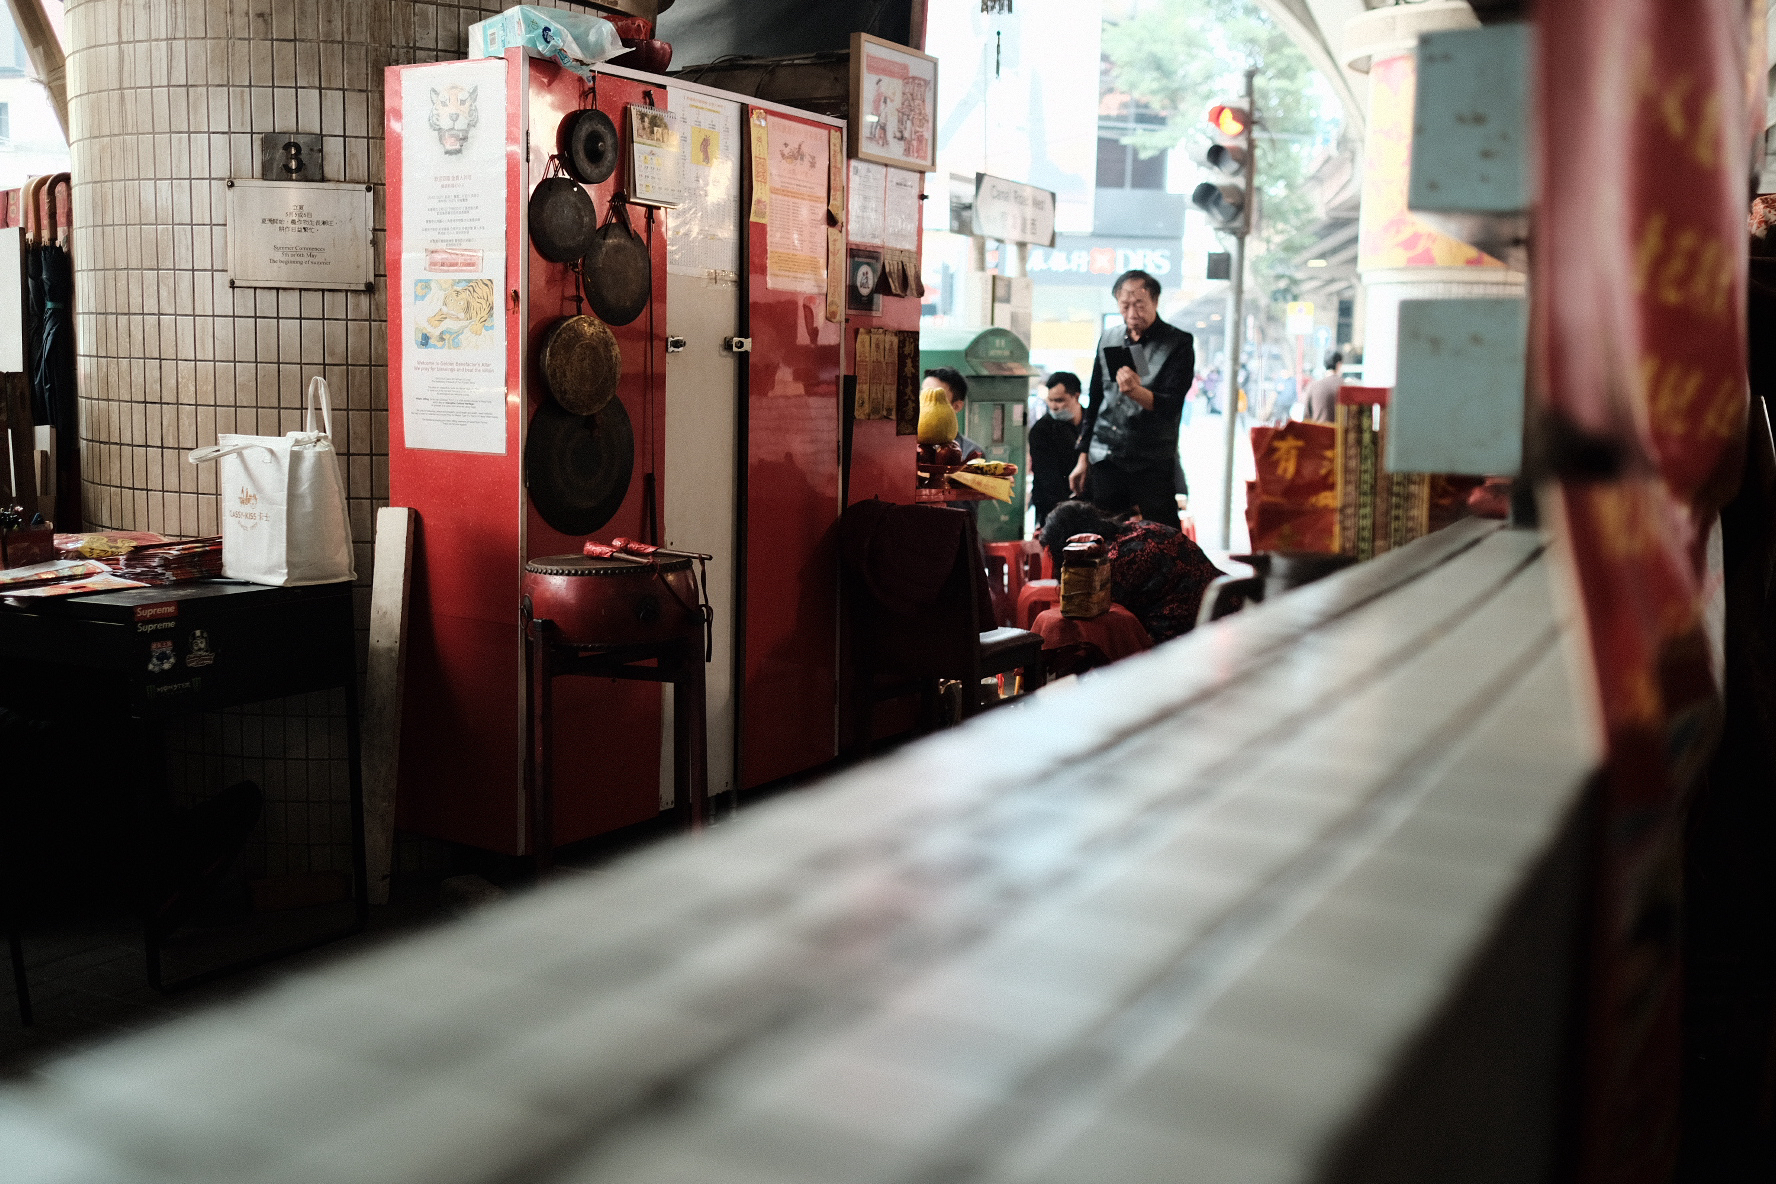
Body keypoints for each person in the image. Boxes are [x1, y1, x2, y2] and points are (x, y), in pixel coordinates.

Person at [1069, 270, 1194, 529]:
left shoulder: (1177, 343)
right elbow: (1095, 400)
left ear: (1155, 301)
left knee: (1162, 534)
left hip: (1151, 460)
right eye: (1124, 305)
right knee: (1104, 534)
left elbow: (1170, 406)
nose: (1132, 313)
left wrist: (1135, 391)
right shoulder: (1109, 338)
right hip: (1106, 456)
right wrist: (1083, 457)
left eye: (1139, 304)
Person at [1039, 499, 1223, 644]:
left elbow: (1098, 616)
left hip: (1193, 632)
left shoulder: (1109, 562)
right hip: (1225, 602)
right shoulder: (1138, 527)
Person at [1028, 371, 1083, 526]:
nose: (1053, 406)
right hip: (1053, 508)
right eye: (1050, 400)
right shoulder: (1042, 430)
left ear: (1076, 396)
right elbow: (1047, 478)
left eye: (1059, 400)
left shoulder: (1091, 425)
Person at [922, 367, 983, 461]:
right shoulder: (907, 445)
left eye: (936, 397)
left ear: (957, 406)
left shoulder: (971, 453)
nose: (924, 403)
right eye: (923, 395)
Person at [1301, 351, 1343, 422]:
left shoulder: (1313, 386)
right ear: (1339, 365)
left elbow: (1306, 416)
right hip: (1340, 429)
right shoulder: (1345, 386)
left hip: (1318, 428)